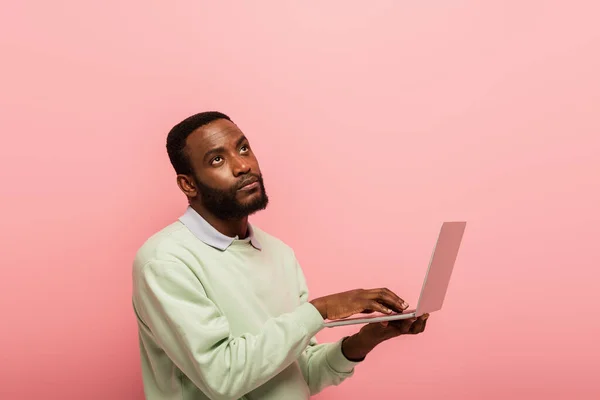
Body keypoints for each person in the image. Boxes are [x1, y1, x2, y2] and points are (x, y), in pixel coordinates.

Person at [131, 111, 430, 400]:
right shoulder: (165, 261)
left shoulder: (279, 253)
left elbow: (301, 375)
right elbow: (223, 378)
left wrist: (365, 341)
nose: (242, 166)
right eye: (217, 159)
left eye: (243, 148)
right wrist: (321, 309)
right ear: (188, 184)